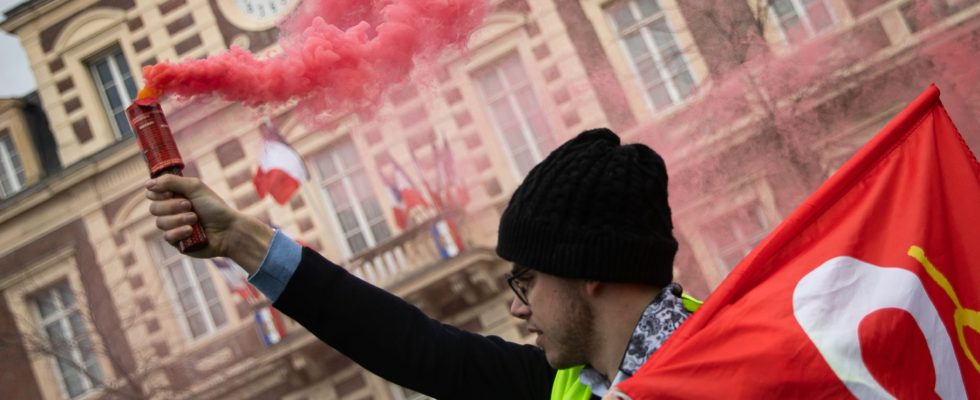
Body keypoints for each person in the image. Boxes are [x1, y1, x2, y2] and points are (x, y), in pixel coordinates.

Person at [146, 128, 697, 399]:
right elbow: (404, 342)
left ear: (590, 271)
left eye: (526, 280)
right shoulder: (560, 383)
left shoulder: (736, 361)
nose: (514, 305)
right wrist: (241, 239)